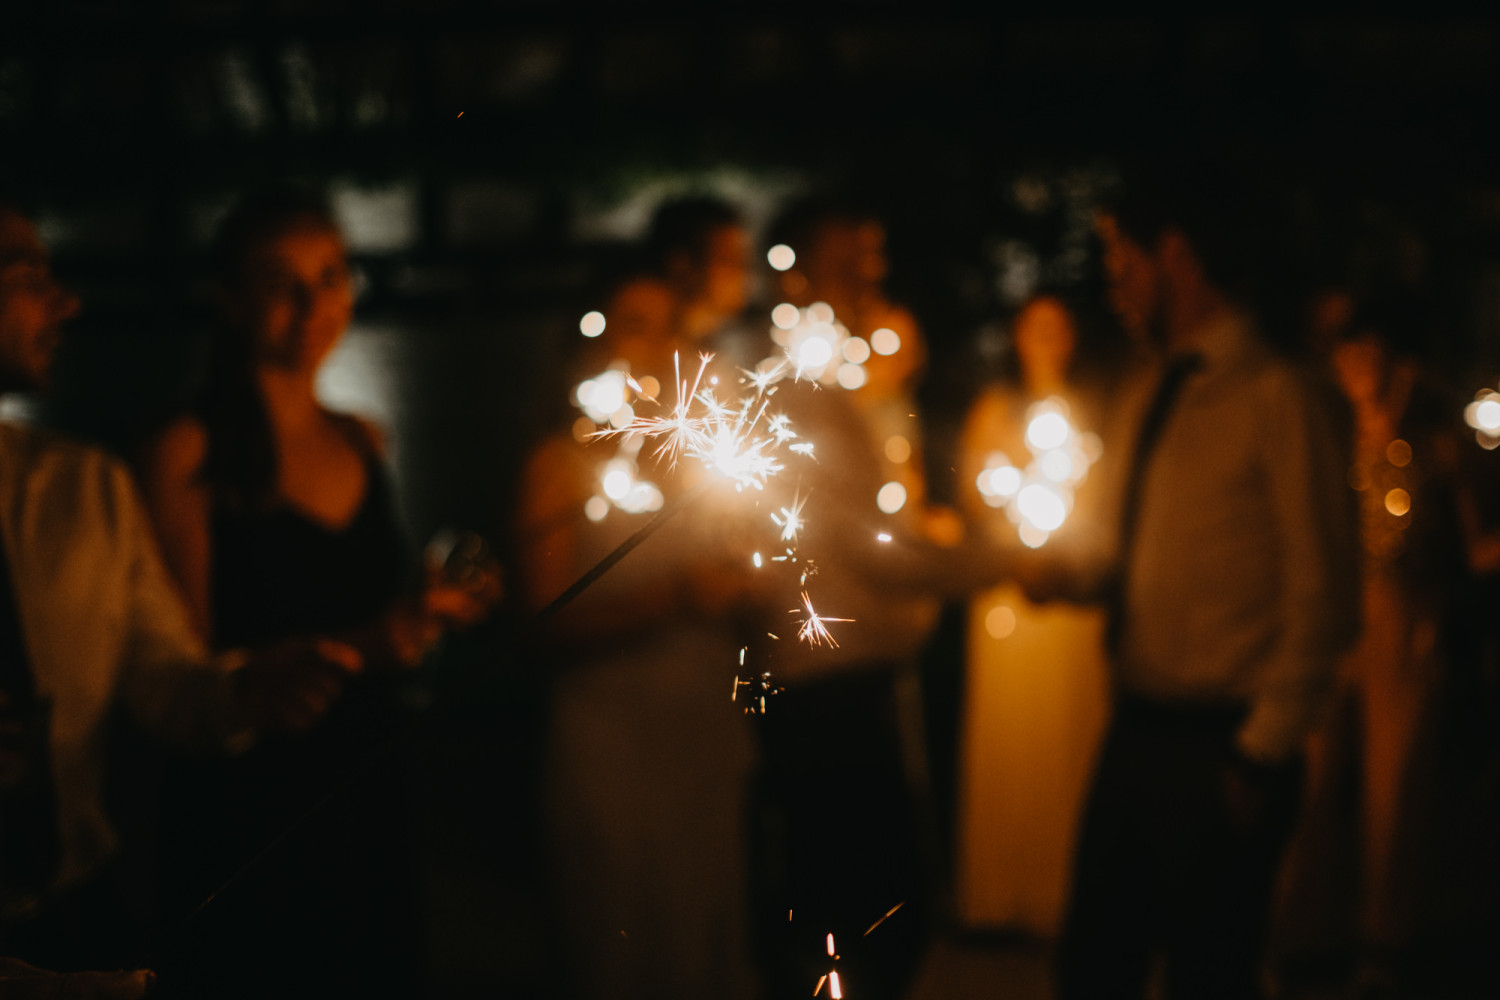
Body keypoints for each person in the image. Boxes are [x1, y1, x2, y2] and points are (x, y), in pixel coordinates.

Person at [136, 185, 495, 997]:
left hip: (367, 779)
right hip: (253, 804)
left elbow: (377, 607)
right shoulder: (186, 451)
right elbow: (185, 673)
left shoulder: (361, 437)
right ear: (228, 300)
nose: (313, 304)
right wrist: (366, 643)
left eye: (331, 277)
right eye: (279, 281)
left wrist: (425, 614)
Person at [1020, 170, 1361, 1000]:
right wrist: (1057, 574)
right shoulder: (1150, 390)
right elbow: (1120, 548)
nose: (1114, 281)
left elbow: (1326, 589)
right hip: (1135, 733)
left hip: (1226, 746)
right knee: (1093, 967)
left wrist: (1260, 753)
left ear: (1175, 255)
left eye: (1121, 256)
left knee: (1210, 976)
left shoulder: (1278, 392)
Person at [0, 202, 360, 988]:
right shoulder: (183, 451)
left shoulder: (85, 488)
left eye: (332, 278)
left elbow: (167, 678)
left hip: (76, 917)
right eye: (28, 276)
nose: (68, 303)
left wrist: (247, 687)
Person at [515, 196, 764, 1000]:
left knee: (703, 946)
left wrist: (755, 579)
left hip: (701, 730)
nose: (654, 345)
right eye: (631, 324)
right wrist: (673, 599)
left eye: (665, 327)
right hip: (608, 744)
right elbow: (542, 625)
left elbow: (753, 581)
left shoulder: (705, 465)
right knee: (621, 952)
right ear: (592, 342)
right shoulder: (559, 466)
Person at [952, 293, 1111, 937]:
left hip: (1068, 590)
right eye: (1035, 327)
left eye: (1059, 326)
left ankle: (1062, 891)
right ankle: (999, 892)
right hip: (1010, 592)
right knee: (1012, 727)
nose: (1047, 339)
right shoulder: (994, 408)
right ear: (1017, 335)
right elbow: (972, 492)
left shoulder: (1090, 409)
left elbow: (1104, 500)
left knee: (1066, 726)